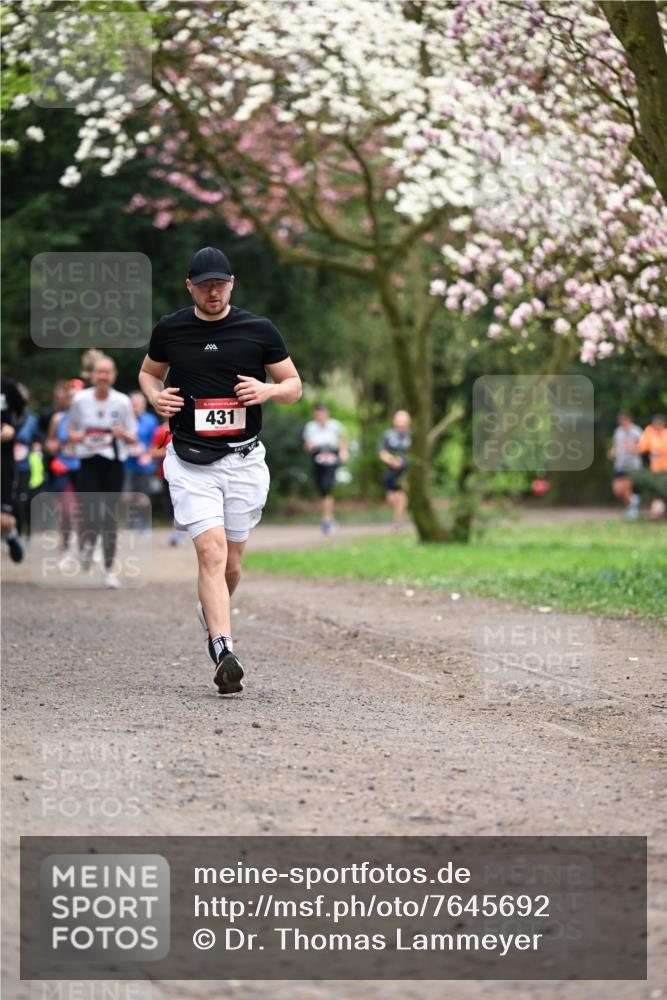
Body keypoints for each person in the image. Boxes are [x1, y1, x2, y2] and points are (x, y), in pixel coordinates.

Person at [138, 246, 302, 694]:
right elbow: (148, 374)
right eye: (205, 284)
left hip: (244, 460)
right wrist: (156, 396)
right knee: (209, 554)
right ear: (190, 286)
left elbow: (294, 386)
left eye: (220, 283)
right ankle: (222, 648)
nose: (213, 291)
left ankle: (212, 609)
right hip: (191, 461)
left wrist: (266, 391)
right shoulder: (171, 329)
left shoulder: (258, 329)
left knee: (231, 563)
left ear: (232, 283)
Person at [68, 356, 137, 587]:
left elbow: (133, 435)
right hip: (88, 461)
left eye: (107, 372)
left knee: (108, 517)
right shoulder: (80, 400)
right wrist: (75, 436)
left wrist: (122, 434)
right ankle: (88, 544)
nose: (103, 376)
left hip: (113, 462)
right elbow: (71, 428)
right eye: (99, 372)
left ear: (114, 375)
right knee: (89, 511)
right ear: (92, 375)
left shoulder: (123, 402)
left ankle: (108, 571)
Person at [45, 378, 83, 564]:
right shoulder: (58, 419)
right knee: (68, 511)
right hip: (65, 469)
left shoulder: (88, 419)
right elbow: (50, 443)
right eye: (70, 397)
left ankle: (85, 547)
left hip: (84, 469)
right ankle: (66, 546)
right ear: (65, 400)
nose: (73, 401)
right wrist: (56, 446)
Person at [303, 403, 348, 534]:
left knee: (326, 486)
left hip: (332, 456)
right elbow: (307, 445)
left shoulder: (335, 425)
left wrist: (344, 452)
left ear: (327, 413)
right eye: (317, 414)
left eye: (321, 413)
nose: (319, 416)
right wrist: (309, 447)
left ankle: (327, 520)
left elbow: (343, 439)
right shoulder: (310, 427)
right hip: (317, 456)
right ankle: (329, 518)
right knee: (321, 489)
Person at [124, 391, 159, 532]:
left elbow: (156, 442)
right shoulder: (125, 421)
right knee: (129, 496)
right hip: (128, 464)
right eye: (132, 405)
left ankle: (144, 523)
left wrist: (148, 454)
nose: (134, 407)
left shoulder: (151, 421)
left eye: (137, 405)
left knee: (143, 497)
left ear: (143, 405)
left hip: (145, 465)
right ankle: (133, 520)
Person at [1, 375, 26, 562]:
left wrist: (13, 428)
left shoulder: (7, 387)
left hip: (4, 459)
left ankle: (10, 535)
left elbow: (24, 413)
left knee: (4, 520)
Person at [150, 420, 186, 546]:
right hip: (166, 474)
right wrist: (174, 451)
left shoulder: (188, 426)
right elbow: (153, 452)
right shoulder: (161, 431)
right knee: (172, 504)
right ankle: (178, 532)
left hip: (187, 473)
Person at [378, 409, 411, 531]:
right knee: (392, 498)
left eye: (404, 421)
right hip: (390, 471)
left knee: (402, 495)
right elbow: (381, 452)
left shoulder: (412, 436)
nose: (402, 424)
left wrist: (404, 462)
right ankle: (399, 515)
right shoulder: (387, 435)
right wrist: (392, 460)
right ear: (395, 421)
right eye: (399, 421)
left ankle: (397, 522)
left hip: (406, 471)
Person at [607, 411, 642, 519]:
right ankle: (633, 502)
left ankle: (632, 509)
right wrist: (612, 452)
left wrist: (632, 448)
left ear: (628, 420)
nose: (621, 423)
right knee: (617, 490)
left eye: (622, 420)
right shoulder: (618, 432)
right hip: (620, 464)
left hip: (632, 465)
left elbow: (643, 447)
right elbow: (616, 446)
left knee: (626, 488)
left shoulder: (637, 431)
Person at [635, 414, 667, 520]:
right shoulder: (650, 433)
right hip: (655, 470)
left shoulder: (665, 435)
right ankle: (656, 512)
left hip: (665, 470)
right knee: (658, 493)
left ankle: (657, 512)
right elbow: (641, 448)